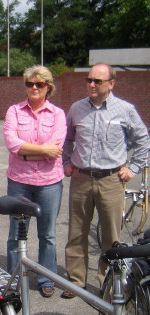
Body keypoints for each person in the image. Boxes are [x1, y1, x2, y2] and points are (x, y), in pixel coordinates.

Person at [61, 62, 150, 298]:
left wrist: (134, 168)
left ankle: (109, 285)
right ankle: (76, 281)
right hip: (81, 178)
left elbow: (143, 140)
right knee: (77, 232)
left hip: (111, 180)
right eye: (88, 80)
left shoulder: (125, 110)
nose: (91, 84)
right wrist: (66, 162)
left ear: (111, 84)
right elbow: (67, 138)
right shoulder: (77, 108)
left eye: (96, 81)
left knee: (111, 237)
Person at [3, 65, 66, 298]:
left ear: (48, 87)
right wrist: (42, 150)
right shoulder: (14, 111)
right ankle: (13, 278)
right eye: (30, 84)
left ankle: (45, 278)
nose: (34, 88)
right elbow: (12, 143)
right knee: (16, 233)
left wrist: (26, 152)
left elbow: (57, 148)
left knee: (47, 234)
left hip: (49, 182)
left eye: (39, 84)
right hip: (19, 180)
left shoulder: (58, 114)